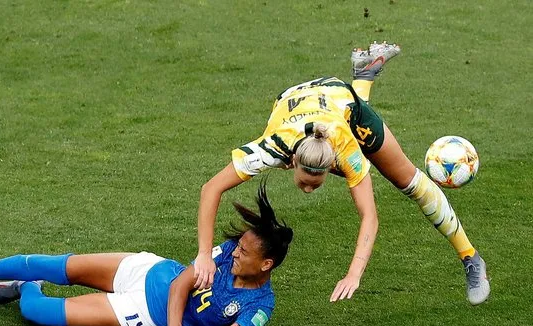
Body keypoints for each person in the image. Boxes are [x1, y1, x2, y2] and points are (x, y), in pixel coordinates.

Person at [194, 41, 490, 305]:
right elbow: (211, 189)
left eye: (315, 182)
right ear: (292, 160)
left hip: (342, 101)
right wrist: (203, 255)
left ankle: (471, 258)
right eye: (306, 182)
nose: (309, 190)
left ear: (331, 165)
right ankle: (364, 72)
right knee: (352, 150)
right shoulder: (271, 148)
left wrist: (353, 274)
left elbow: (369, 217)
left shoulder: (346, 150)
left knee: (408, 182)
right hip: (295, 100)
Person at [0, 182, 293, 326]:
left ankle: (25, 288)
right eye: (239, 246)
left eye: (245, 252)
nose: (235, 253)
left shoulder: (259, 305)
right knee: (55, 264)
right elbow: (183, 281)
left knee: (36, 313)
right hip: (150, 268)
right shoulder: (229, 253)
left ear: (266, 265)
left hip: (141, 312)